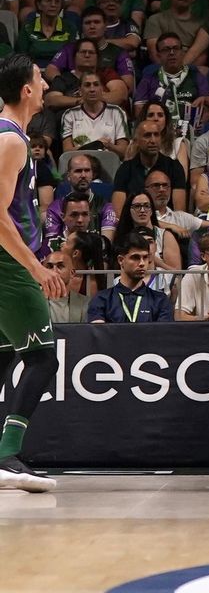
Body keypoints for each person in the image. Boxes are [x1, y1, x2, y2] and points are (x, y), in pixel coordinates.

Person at [0, 56, 66, 490]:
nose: (45, 86)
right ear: (26, 89)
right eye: (40, 80)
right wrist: (36, 266)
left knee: (4, 356)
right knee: (43, 358)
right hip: (9, 264)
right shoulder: (11, 141)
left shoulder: (13, 135)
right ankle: (8, 456)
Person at [86, 230, 173, 322]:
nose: (142, 263)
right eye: (135, 257)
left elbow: (163, 335)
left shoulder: (160, 300)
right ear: (120, 260)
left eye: (145, 257)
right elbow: (99, 334)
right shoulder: (102, 299)